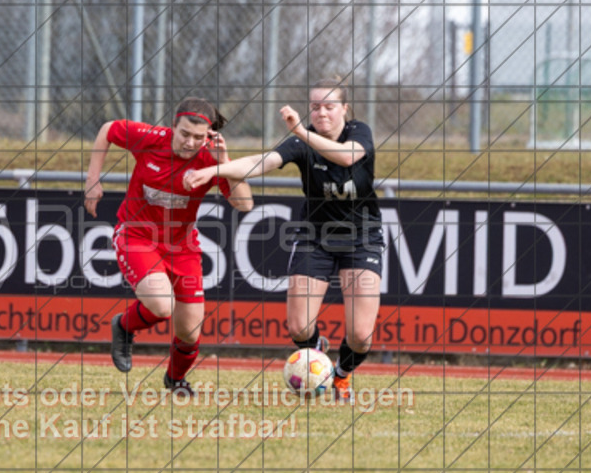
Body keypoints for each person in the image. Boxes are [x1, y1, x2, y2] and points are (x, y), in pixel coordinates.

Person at [184, 79, 383, 403]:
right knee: (298, 328)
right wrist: (214, 170)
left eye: (329, 106)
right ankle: (316, 354)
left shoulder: (358, 132)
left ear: (344, 109)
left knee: (361, 335)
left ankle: (342, 377)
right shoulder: (299, 144)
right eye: (315, 106)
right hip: (314, 237)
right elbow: (260, 162)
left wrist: (302, 131)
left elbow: (348, 158)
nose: (321, 112)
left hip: (362, 238)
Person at [85, 97, 254, 396]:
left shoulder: (212, 159)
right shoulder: (151, 139)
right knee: (162, 304)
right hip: (136, 235)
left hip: (182, 246)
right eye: (184, 134)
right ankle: (124, 326)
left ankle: (174, 381)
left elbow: (244, 203)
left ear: (209, 135)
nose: (190, 142)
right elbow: (108, 129)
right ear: (172, 126)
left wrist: (224, 163)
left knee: (189, 333)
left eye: (198, 137)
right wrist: (92, 180)